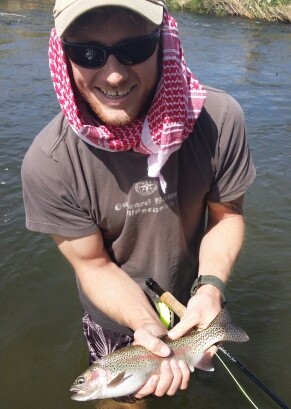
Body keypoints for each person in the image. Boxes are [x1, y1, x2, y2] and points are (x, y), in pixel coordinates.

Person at [21, 0, 256, 407]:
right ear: (63, 56)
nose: (113, 74)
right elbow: (92, 264)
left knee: (187, 376)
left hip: (193, 297)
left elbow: (227, 216)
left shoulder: (219, 119)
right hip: (112, 316)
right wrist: (146, 326)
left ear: (164, 41)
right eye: (87, 53)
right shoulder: (50, 163)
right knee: (125, 401)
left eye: (134, 49)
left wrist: (210, 289)